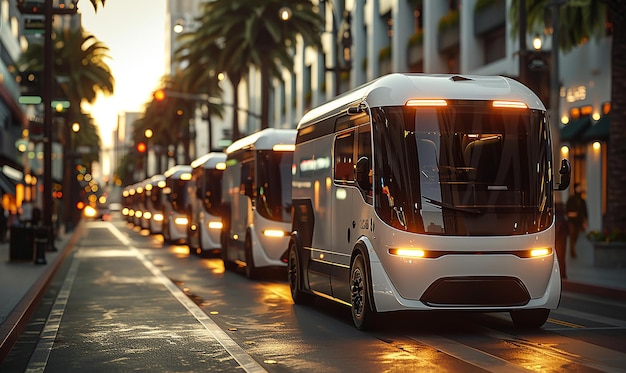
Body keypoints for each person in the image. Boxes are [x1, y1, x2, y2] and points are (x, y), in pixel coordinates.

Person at [566, 183, 588, 258]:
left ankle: (573, 248)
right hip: (572, 221)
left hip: (578, 221)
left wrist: (585, 220)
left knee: (576, 236)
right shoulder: (571, 199)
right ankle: (572, 250)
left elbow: (585, 211)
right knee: (572, 235)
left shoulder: (582, 200)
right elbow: (567, 209)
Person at [555, 202, 569, 278]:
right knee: (562, 257)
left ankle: (561, 274)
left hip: (558, 240)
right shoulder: (563, 219)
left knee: (559, 257)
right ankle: (563, 274)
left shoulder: (557, 219)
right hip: (562, 240)